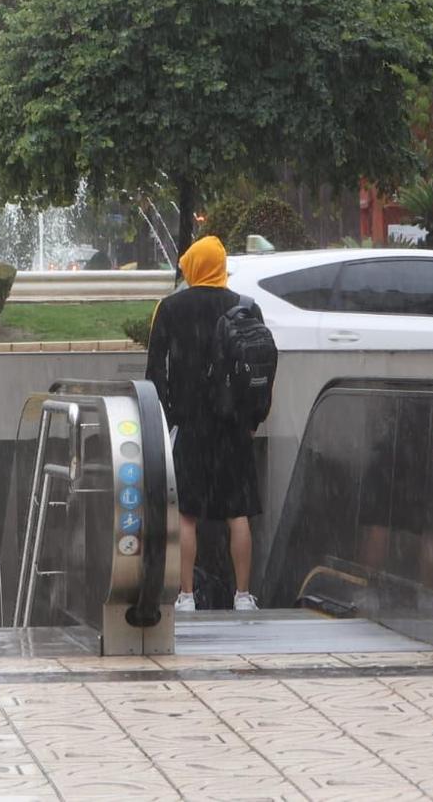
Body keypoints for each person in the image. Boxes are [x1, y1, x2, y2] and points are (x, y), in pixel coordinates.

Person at [146, 235, 260, 613]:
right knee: (237, 513)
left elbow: (155, 374)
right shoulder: (244, 307)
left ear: (194, 267)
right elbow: (256, 369)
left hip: (190, 427)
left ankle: (186, 595)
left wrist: (167, 417)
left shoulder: (171, 308)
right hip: (233, 427)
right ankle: (243, 596)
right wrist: (249, 418)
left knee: (186, 515)